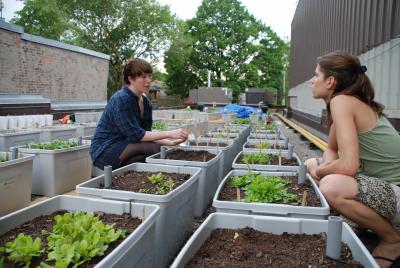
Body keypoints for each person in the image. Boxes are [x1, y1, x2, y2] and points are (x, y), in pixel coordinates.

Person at [304, 51, 400, 267]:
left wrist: (322, 172)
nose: (312, 80)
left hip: (396, 191)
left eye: (315, 75)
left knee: (330, 185)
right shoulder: (343, 102)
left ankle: (392, 239)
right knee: (312, 164)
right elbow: (331, 149)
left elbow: (348, 165)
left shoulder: (342, 101)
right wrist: (323, 167)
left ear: (330, 81)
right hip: (385, 188)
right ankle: (366, 224)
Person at [90, 58, 188, 170]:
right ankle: (172, 175)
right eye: (143, 76)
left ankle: (125, 183)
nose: (148, 80)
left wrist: (170, 142)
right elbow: (137, 135)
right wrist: (170, 133)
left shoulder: (145, 102)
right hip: (105, 150)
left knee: (145, 158)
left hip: (126, 145)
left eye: (150, 76)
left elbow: (145, 134)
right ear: (131, 78)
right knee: (154, 149)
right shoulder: (121, 99)